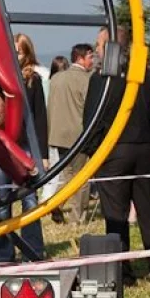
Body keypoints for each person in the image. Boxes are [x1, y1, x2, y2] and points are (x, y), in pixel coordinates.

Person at [83, 56, 150, 285]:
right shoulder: (147, 76)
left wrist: (94, 151)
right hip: (142, 149)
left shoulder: (102, 79)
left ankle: (122, 273)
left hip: (113, 150)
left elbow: (92, 118)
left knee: (116, 215)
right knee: (148, 212)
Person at [0, 33, 47, 262]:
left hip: (25, 146)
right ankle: (3, 252)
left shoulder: (32, 79)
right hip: (1, 145)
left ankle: (32, 249)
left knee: (29, 199)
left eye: (20, 51)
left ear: (27, 54)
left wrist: (42, 153)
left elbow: (40, 117)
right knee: (2, 198)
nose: (15, 55)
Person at [47, 44, 95, 225]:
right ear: (80, 58)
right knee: (81, 178)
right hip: (79, 135)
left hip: (58, 134)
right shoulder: (87, 80)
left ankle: (55, 203)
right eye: (90, 57)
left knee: (66, 176)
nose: (92, 60)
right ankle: (77, 217)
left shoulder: (56, 78)